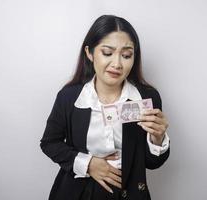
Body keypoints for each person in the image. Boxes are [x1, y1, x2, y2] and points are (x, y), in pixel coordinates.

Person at [40, 14, 170, 200]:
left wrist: (157, 138)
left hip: (129, 192)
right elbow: (49, 143)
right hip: (77, 192)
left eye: (126, 55)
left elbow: (153, 163)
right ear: (89, 53)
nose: (117, 64)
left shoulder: (147, 97)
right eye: (107, 53)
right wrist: (88, 164)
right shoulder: (69, 97)